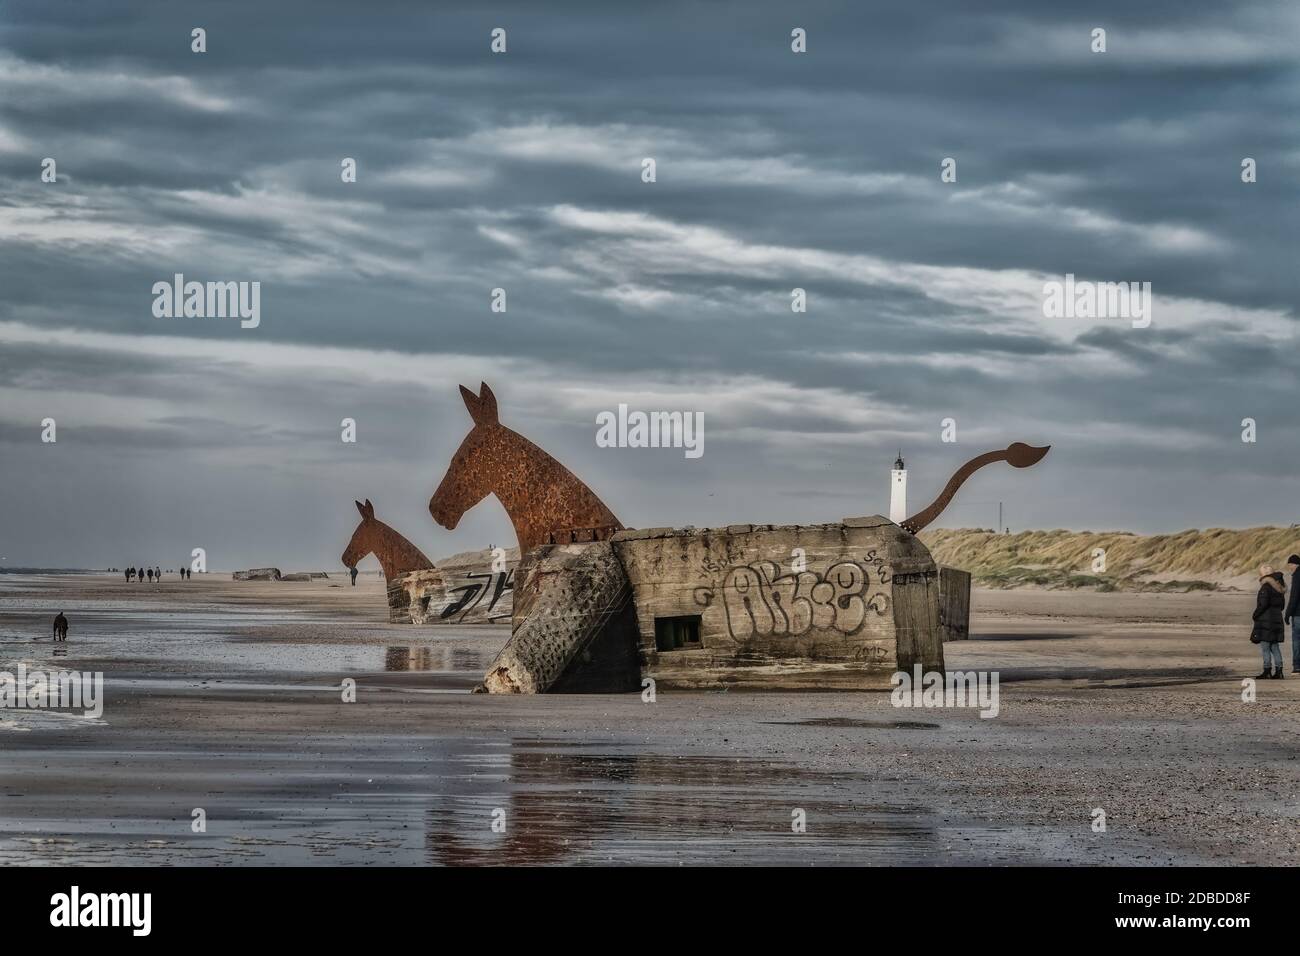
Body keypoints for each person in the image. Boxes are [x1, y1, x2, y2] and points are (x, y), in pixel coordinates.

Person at [1252, 564, 1286, 679]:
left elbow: (1263, 604)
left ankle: (1267, 670)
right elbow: (1282, 606)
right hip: (1277, 619)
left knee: (1265, 646)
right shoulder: (1279, 587)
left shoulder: (1265, 587)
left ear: (1263, 575)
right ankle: (1279, 671)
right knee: (1275, 646)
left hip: (1266, 620)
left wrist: (1255, 615)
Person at [1286, 554, 1300, 674]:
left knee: (1296, 640)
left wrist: (1287, 614)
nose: (1289, 567)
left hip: (1298, 614)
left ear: (1294, 564)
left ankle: (1297, 666)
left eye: (1290, 565)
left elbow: (1294, 596)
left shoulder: (1296, 576)